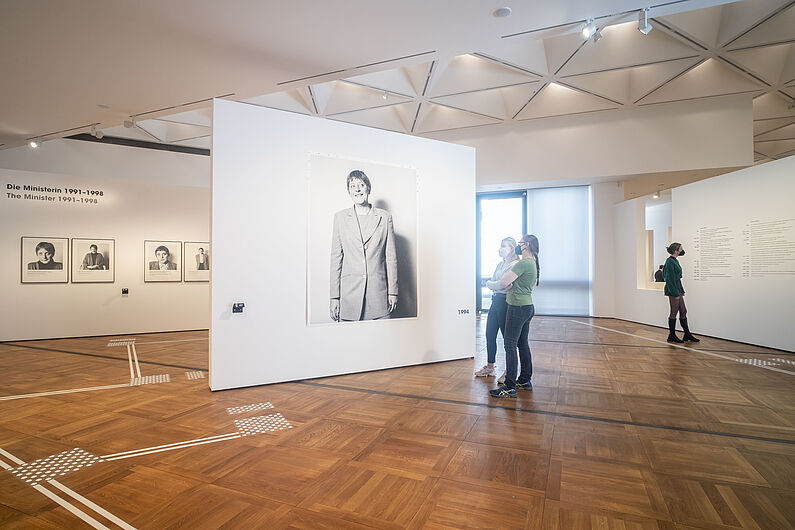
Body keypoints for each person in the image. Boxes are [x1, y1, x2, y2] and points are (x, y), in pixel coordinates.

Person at [330, 169, 397, 322]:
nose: (357, 189)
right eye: (353, 186)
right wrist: (334, 297)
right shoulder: (339, 218)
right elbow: (336, 258)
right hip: (349, 298)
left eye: (361, 184)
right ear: (349, 191)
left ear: (368, 188)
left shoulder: (385, 218)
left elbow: (391, 258)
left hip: (379, 297)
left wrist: (393, 292)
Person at [489, 234, 539, 398]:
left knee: (510, 344)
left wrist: (496, 283)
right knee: (522, 344)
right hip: (527, 306)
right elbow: (510, 283)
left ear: (527, 245)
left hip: (517, 307)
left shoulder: (523, 263)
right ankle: (524, 379)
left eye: (520, 243)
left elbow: (503, 283)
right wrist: (509, 283)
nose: (519, 246)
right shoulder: (532, 263)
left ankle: (509, 385)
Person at [474, 237, 518, 379]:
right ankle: (490, 367)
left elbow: (499, 284)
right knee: (490, 334)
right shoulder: (500, 264)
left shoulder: (515, 264)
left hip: (506, 302)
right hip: (495, 301)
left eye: (504, 246)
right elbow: (495, 281)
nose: (501, 248)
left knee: (507, 339)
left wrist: (493, 284)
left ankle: (509, 371)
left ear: (512, 248)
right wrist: (494, 284)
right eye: (501, 245)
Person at [663, 242, 699, 343]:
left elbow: (677, 279)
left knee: (683, 311)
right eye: (680, 248)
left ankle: (687, 334)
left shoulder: (674, 260)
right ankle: (672, 335)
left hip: (677, 288)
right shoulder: (670, 261)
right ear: (676, 251)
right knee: (674, 312)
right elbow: (669, 279)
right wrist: (675, 293)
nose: (682, 250)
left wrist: (681, 291)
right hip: (673, 289)